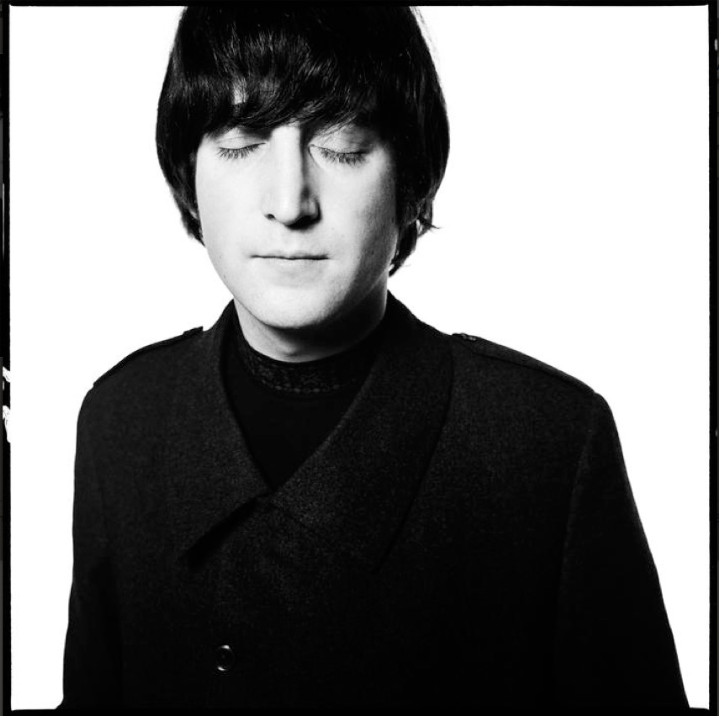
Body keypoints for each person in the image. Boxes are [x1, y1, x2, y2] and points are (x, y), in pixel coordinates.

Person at [60, 6, 688, 714]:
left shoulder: (546, 442)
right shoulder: (122, 418)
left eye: (343, 144)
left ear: (408, 180)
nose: (289, 202)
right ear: (189, 175)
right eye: (240, 143)